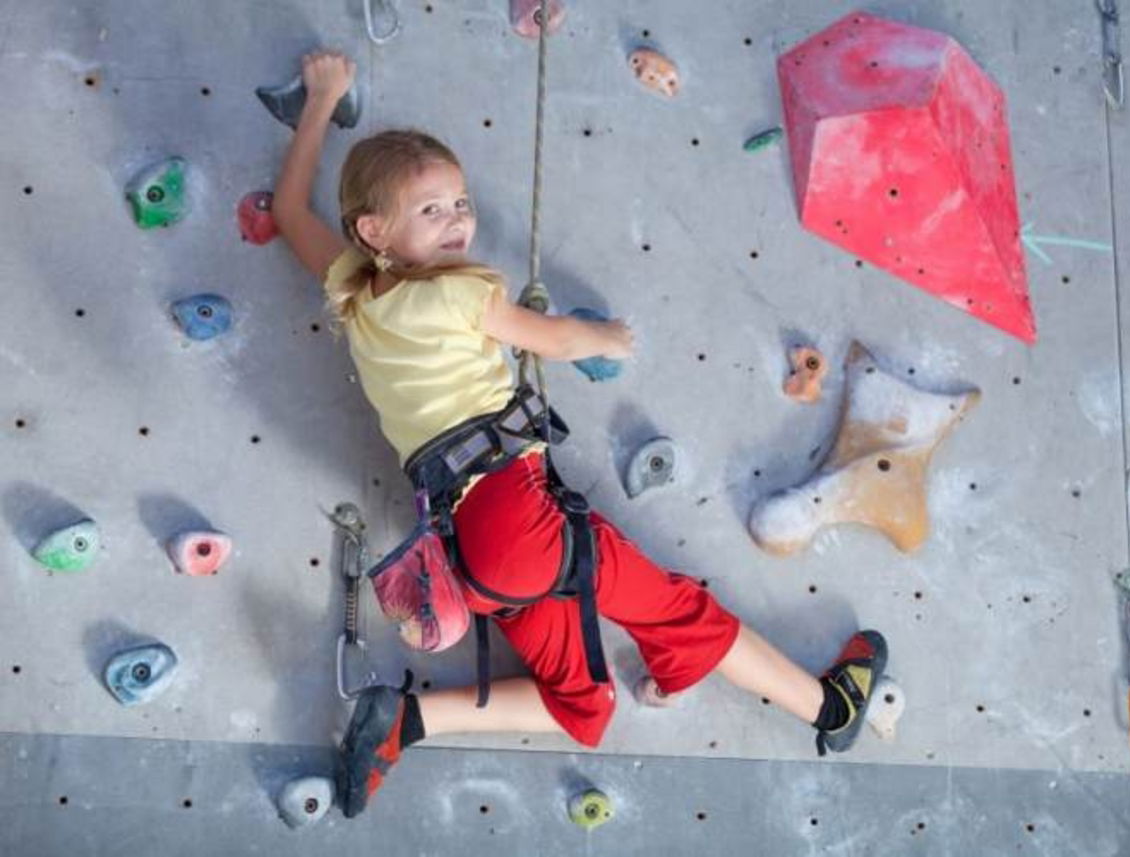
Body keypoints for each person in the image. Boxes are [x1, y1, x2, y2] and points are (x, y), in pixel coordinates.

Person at [272, 50, 888, 819]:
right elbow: (551, 339)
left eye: (459, 203)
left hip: (471, 544)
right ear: (375, 229)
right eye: (433, 210)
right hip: (513, 519)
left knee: (583, 706)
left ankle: (408, 719)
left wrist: (321, 100)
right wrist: (607, 339)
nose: (459, 219)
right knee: (680, 613)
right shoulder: (465, 291)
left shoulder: (354, 291)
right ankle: (830, 708)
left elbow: (290, 211)